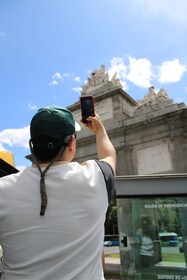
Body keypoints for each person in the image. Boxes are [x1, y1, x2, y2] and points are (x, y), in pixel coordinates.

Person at [0, 105, 116, 280]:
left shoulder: (2, 188)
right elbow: (109, 155)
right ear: (71, 143)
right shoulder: (95, 177)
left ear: (32, 146)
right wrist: (99, 130)